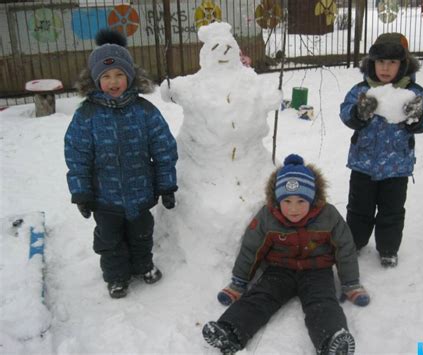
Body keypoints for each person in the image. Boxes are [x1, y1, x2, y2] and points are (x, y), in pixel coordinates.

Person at [202, 154, 369, 355]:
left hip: (317, 270)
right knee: (261, 297)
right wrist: (239, 281)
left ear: (312, 198)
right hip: (279, 270)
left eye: (301, 201)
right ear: (277, 200)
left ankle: (332, 341)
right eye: (287, 201)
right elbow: (251, 248)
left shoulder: (328, 215)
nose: (294, 209)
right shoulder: (267, 217)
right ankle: (230, 331)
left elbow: (345, 248)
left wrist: (350, 283)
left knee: (322, 302)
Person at [64, 28, 178, 299]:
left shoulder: (144, 111)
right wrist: (81, 192)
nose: (113, 82)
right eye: (106, 76)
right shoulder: (86, 116)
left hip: (140, 193)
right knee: (109, 240)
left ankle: (143, 265)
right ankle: (116, 277)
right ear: (95, 80)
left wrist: (167, 185)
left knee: (142, 234)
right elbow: (77, 155)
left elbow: (163, 148)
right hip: (105, 197)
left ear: (129, 77)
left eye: (119, 75)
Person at [339, 33, 423, 268]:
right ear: (372, 63)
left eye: (392, 62)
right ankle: (356, 241)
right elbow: (345, 113)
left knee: (391, 211)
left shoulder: (414, 92)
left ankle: (388, 248)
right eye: (380, 62)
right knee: (359, 208)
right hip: (363, 164)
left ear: (403, 64)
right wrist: (358, 113)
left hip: (397, 166)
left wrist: (416, 117)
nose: (385, 68)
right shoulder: (362, 90)